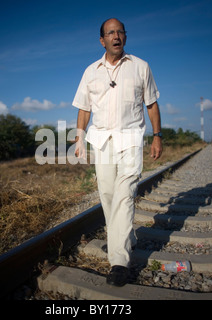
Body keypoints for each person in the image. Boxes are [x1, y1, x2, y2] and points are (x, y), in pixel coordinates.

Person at [72, 18, 162, 287]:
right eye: (110, 32)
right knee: (108, 195)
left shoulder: (141, 67)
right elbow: (84, 108)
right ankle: (125, 237)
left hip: (131, 139)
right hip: (102, 142)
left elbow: (152, 104)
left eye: (120, 31)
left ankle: (119, 261)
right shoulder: (91, 72)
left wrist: (157, 136)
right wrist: (79, 138)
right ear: (102, 40)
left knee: (124, 195)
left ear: (125, 36)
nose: (116, 36)